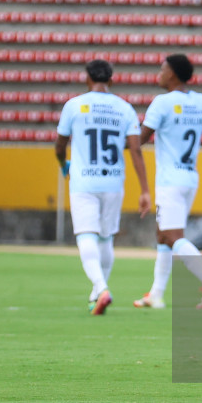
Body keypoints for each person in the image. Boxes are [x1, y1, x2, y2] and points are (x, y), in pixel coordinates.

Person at [55, 59, 152, 315]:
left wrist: (62, 164)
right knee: (106, 238)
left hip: (83, 180)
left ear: (87, 78)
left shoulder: (74, 105)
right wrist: (144, 189)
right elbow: (135, 150)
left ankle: (100, 287)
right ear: (111, 80)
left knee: (86, 235)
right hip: (113, 181)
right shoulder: (125, 108)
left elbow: (60, 144)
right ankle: (95, 294)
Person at [133, 54, 202, 310]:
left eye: (163, 69)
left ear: (173, 73)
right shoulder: (200, 101)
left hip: (169, 179)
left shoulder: (162, 103)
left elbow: (140, 139)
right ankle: (155, 294)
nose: (160, 74)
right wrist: (197, 126)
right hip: (189, 178)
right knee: (163, 236)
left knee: (172, 235)